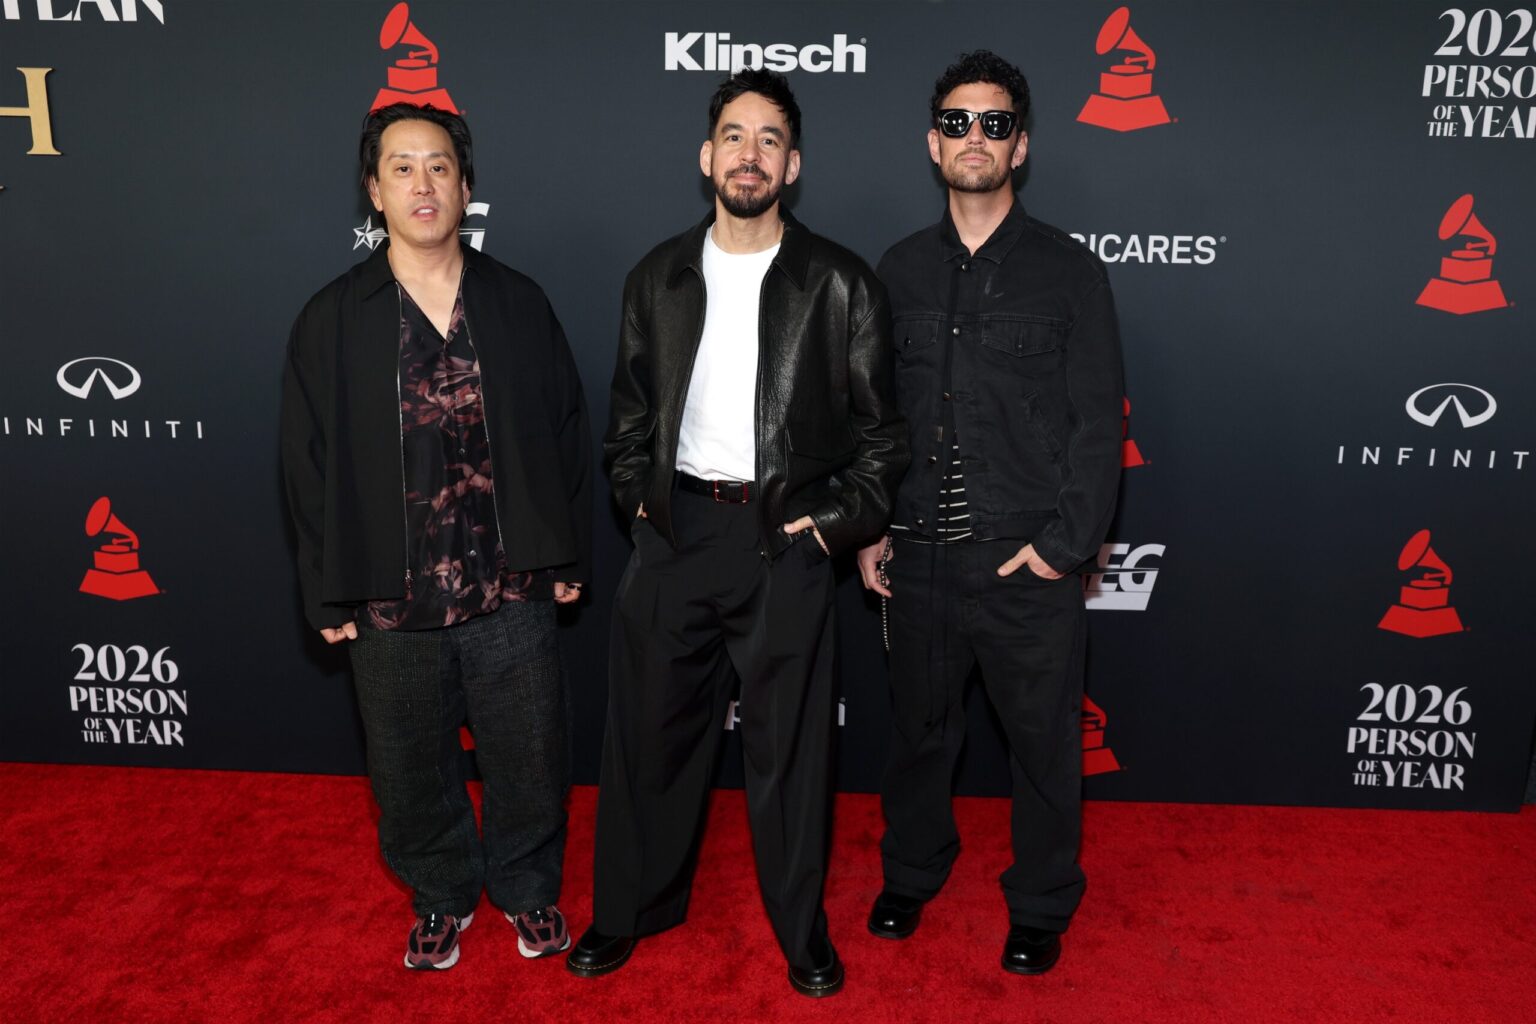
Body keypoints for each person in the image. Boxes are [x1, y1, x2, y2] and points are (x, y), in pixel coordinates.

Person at [568, 69, 907, 998]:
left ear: (792, 166)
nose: (748, 154)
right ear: (705, 154)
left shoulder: (840, 282)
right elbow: (627, 424)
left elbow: (884, 442)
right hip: (674, 534)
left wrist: (829, 525)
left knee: (791, 757)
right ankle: (627, 911)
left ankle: (802, 934)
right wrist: (641, 501)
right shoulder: (657, 275)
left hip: (784, 539)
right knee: (645, 740)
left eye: (768, 140)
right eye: (733, 135)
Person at [279, 102, 591, 971]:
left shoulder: (520, 303)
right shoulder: (331, 318)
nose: (424, 182)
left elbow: (567, 430)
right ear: (374, 191)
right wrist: (324, 586)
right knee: (409, 767)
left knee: (530, 751)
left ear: (466, 186)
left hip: (513, 582)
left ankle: (528, 889)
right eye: (403, 166)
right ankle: (442, 895)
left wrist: (568, 556)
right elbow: (305, 465)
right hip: (389, 590)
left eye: (441, 166)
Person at [858, 50, 1124, 976]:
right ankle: (913, 871)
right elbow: (876, 418)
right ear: (935, 145)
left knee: (1045, 748)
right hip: (920, 556)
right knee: (919, 739)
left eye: (996, 123)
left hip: (1024, 561)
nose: (977, 137)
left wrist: (1063, 548)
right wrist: (876, 527)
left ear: (1021, 147)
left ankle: (1044, 899)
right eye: (960, 123)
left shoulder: (1069, 273)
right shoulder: (896, 270)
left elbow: (1100, 425)